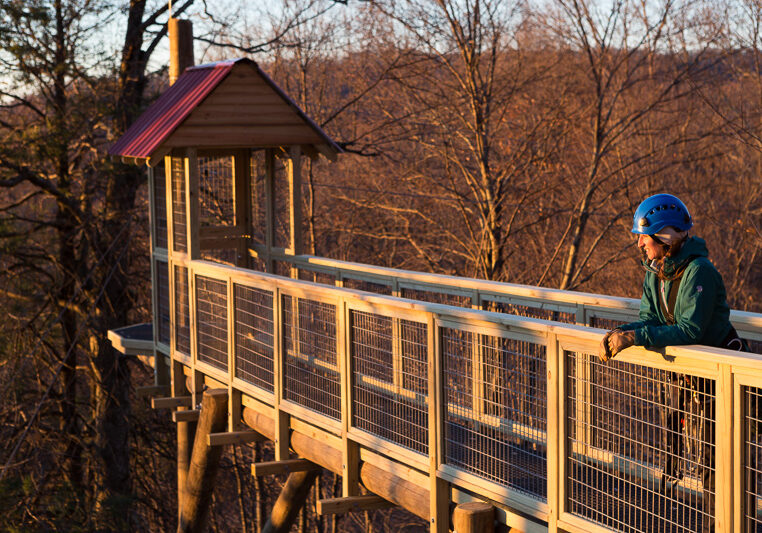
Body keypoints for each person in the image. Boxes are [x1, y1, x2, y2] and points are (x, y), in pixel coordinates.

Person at [597, 193, 748, 533]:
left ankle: (723, 526)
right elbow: (649, 318)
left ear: (665, 237)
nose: (639, 244)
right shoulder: (656, 272)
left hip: (720, 376)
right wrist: (621, 332)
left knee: (717, 460)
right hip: (691, 376)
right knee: (700, 454)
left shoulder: (700, 272)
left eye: (644, 236)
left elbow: (689, 329)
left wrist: (636, 338)